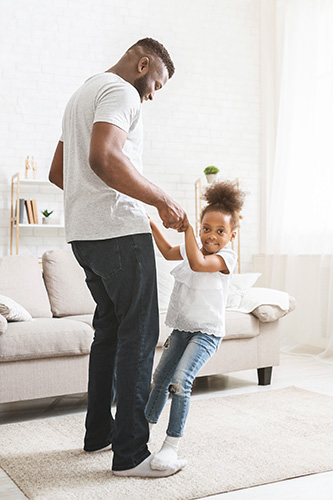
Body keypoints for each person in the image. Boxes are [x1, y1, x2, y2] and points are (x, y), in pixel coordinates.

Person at [49, 37, 188, 478]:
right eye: (156, 84)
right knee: (139, 336)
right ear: (142, 63)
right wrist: (162, 200)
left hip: (85, 238)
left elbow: (59, 173)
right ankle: (130, 455)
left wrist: (92, 202)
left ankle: (99, 433)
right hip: (119, 233)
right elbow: (104, 157)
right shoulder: (122, 91)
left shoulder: (82, 94)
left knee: (108, 333)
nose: (151, 95)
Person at [145, 180, 246, 470]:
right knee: (160, 379)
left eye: (220, 231)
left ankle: (171, 446)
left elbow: (201, 263)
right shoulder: (194, 247)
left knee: (180, 381)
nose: (212, 236)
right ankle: (142, 431)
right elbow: (166, 251)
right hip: (183, 328)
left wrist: (188, 227)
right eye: (206, 228)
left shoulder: (227, 257)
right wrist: (151, 223)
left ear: (232, 235)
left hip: (207, 333)